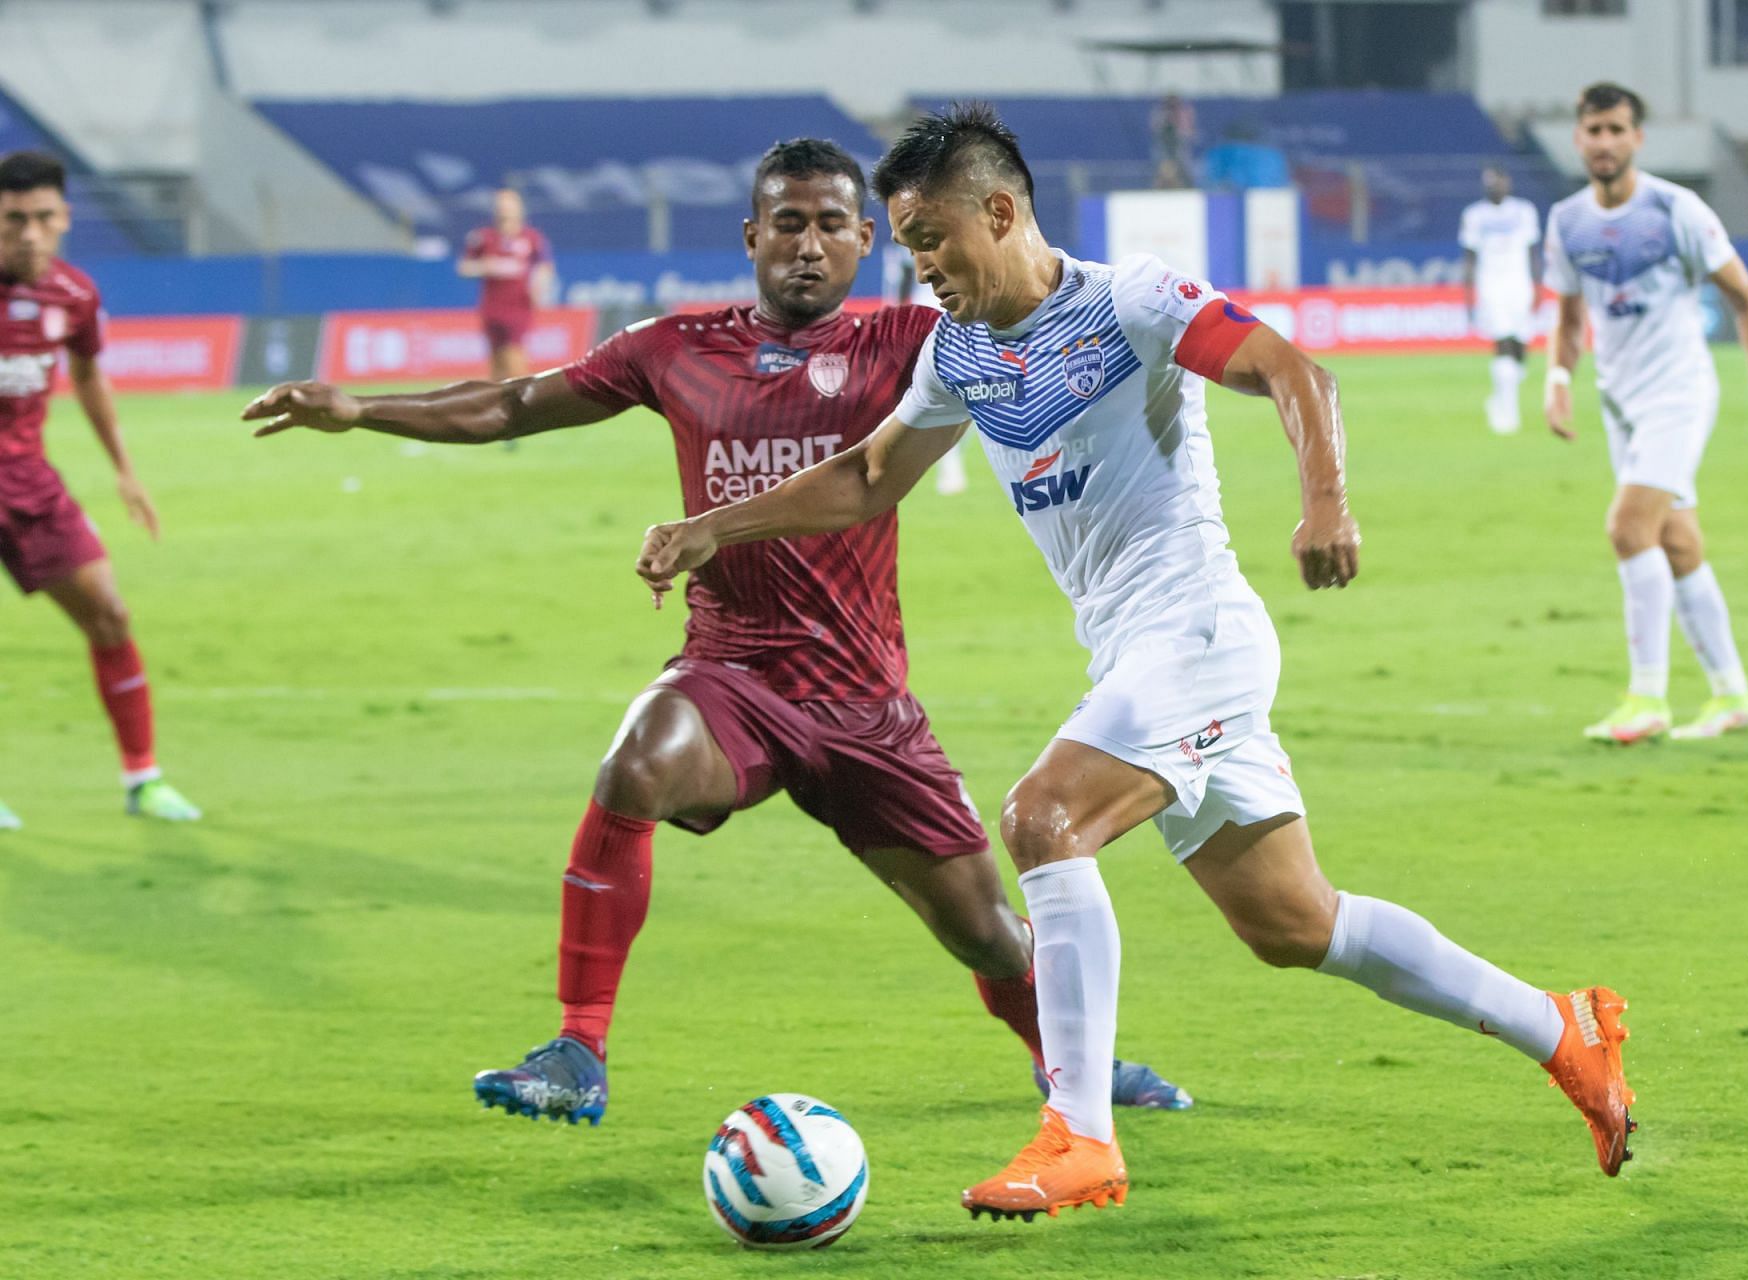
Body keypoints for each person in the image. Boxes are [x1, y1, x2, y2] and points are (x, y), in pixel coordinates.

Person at [636, 104, 1638, 1219]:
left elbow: (1296, 373)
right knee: (1293, 922)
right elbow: (870, 477)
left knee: (1042, 817)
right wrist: (714, 526)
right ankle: (1566, 1028)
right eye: (909, 245)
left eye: (930, 239)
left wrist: (1326, 504)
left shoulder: (1129, 302)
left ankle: (1080, 1134)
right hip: (1137, 654)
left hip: (1197, 634)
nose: (919, 266)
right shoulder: (960, 349)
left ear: (1001, 211)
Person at [244, 138, 1189, 1124]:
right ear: (752, 236)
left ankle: (1074, 1062)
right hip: (731, 674)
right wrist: (361, 410)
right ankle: (578, 1046)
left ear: (868, 240)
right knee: (638, 759)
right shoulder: (677, 346)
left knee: (989, 931)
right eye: (789, 223)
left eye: (832, 225)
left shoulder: (911, 341)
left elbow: (1033, 334)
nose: (810, 245)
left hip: (866, 700)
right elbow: (519, 400)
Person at [1543, 83, 1748, 744]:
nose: (1604, 142)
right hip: (1620, 401)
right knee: (1676, 541)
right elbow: (1569, 314)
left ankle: (1646, 697)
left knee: (1627, 528)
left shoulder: (1678, 209)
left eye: (1617, 130)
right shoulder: (1566, 221)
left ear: (1637, 139)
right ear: (1579, 138)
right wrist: (1559, 377)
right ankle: (1733, 695)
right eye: (1593, 130)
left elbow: (1745, 300)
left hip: (1678, 393)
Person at [0, 150, 200, 826]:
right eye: (12, 219)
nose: (28, 232)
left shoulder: (75, 295)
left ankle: (143, 779)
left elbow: (88, 377)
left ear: (64, 219)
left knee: (109, 614)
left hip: (29, 485)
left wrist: (124, 468)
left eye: (41, 217)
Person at [1459, 166, 1541, 434]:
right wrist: (1469, 296)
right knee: (1503, 342)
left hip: (1520, 285)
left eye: (1499, 181)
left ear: (1508, 182)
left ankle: (1499, 399)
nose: (1495, 186)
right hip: (1491, 286)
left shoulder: (1524, 211)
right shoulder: (1474, 215)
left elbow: (1533, 251)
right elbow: (1469, 259)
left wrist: (1537, 286)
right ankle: (1507, 414)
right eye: (1490, 182)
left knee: (1519, 345)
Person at [888, 240, 968, 494]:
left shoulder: (952, 242)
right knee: (931, 398)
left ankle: (950, 463)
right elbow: (903, 286)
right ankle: (946, 464)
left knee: (960, 399)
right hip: (927, 325)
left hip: (951, 322)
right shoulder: (912, 254)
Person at [458, 187, 554, 381]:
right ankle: (498, 406)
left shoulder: (531, 238)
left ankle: (526, 405)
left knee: (515, 359)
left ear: (519, 208)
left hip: (518, 307)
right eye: (501, 206)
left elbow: (545, 266)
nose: (505, 210)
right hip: (492, 308)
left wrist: (539, 288)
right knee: (496, 363)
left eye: (509, 205)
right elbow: (464, 267)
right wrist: (486, 266)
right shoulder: (483, 237)